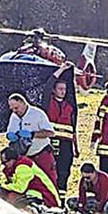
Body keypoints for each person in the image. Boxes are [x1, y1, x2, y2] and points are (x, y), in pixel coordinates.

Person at [7, 93, 58, 186]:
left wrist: (32, 134)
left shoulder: (38, 114)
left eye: (16, 108)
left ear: (23, 103)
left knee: (49, 182)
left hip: (41, 154)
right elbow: (10, 131)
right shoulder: (14, 116)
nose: (14, 111)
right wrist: (10, 136)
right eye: (12, 109)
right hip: (25, 157)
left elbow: (51, 133)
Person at [44, 63, 78, 193]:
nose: (63, 92)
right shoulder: (48, 102)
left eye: (64, 89)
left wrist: (76, 147)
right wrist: (62, 69)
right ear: (54, 90)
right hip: (51, 141)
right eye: (60, 89)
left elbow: (73, 128)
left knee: (65, 171)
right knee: (51, 170)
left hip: (66, 144)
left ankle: (62, 196)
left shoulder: (69, 106)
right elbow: (48, 86)